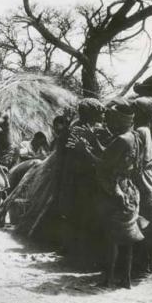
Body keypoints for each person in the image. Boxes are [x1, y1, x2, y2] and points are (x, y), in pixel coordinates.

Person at [71, 104, 144, 289]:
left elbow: (104, 165)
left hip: (115, 190)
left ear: (119, 120)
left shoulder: (120, 140)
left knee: (111, 237)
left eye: (110, 120)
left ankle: (108, 278)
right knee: (128, 236)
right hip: (129, 189)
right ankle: (126, 279)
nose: (107, 123)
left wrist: (85, 151)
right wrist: (94, 140)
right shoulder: (134, 136)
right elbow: (111, 155)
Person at [57, 98, 108, 263]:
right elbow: (72, 152)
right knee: (78, 211)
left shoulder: (93, 127)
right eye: (100, 112)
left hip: (85, 174)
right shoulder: (78, 128)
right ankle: (76, 249)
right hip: (79, 176)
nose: (103, 114)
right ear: (91, 114)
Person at [131, 98, 152, 274]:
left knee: (147, 219)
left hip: (145, 178)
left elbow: (135, 161)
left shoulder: (140, 132)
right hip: (151, 176)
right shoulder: (149, 130)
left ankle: (149, 264)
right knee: (151, 218)